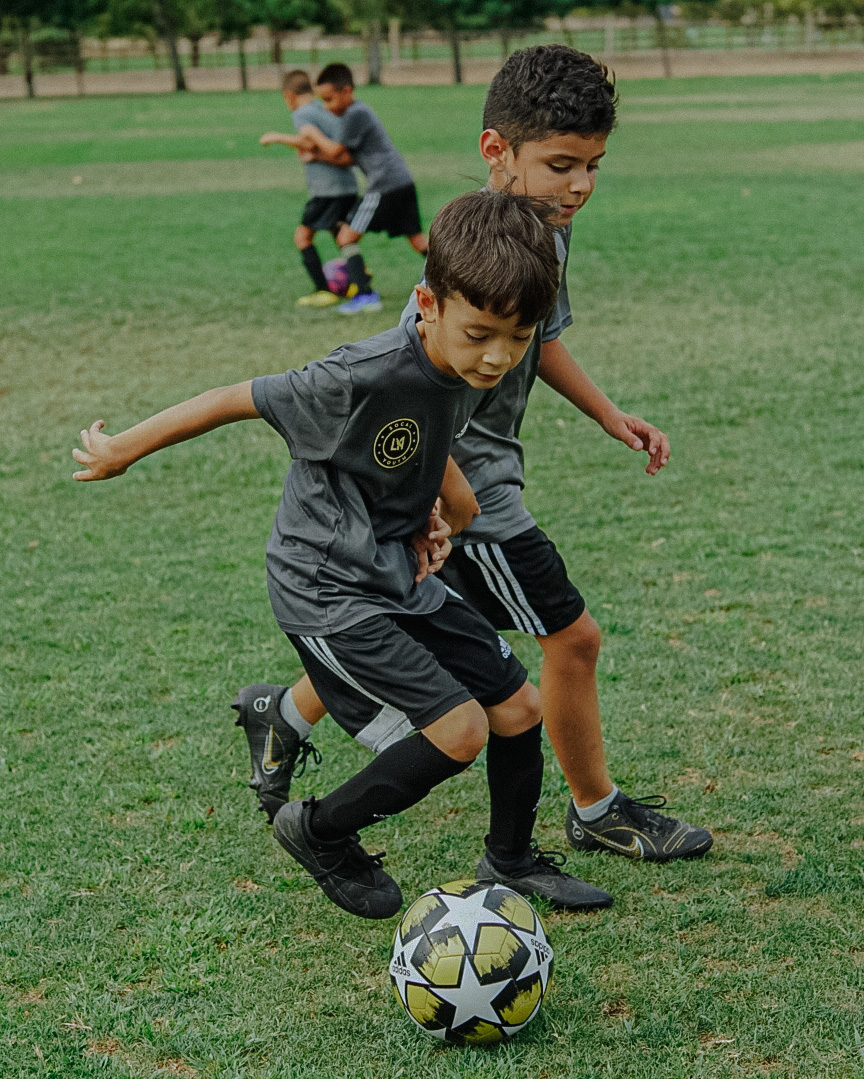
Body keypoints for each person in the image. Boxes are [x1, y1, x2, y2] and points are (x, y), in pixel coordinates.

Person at [72, 189, 613, 919]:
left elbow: (432, 432)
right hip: (324, 585)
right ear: (427, 303)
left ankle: (511, 860)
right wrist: (122, 450)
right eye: (482, 332)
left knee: (517, 705)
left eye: (519, 338)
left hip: (392, 569)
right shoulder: (357, 375)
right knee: (459, 729)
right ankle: (320, 830)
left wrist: (453, 511)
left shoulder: (461, 364)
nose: (500, 356)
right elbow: (235, 396)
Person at [238, 45, 713, 867]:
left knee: (416, 621)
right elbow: (404, 394)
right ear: (498, 153)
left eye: (593, 165)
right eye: (561, 165)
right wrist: (428, 499)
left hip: (458, 491)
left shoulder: (547, 236)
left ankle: (285, 712)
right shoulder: (464, 258)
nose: (580, 186)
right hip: (466, 489)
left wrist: (608, 413)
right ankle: (596, 808)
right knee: (574, 638)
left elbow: (547, 339)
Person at [294, 62, 428, 316]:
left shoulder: (356, 114)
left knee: (346, 236)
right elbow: (347, 159)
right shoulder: (357, 113)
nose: (326, 106)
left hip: (384, 185)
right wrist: (317, 157)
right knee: (418, 240)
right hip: (401, 182)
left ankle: (366, 295)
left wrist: (309, 133)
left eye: (330, 99)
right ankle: (461, 279)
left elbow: (336, 152)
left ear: (347, 91)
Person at [260, 69, 359, 308]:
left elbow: (307, 142)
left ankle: (324, 290)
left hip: (327, 190)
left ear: (289, 95)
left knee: (303, 236)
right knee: (341, 235)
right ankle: (359, 280)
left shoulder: (302, 114)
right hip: (347, 184)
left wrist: (277, 138)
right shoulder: (321, 109)